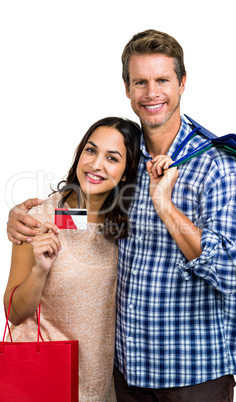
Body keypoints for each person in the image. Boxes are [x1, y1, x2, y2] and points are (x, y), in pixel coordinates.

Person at [6, 30, 236, 401]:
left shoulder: (218, 167)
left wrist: (165, 206)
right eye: (141, 82)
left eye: (162, 80)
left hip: (193, 376)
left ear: (182, 83)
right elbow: (74, 216)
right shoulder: (124, 161)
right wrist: (21, 219)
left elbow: (232, 272)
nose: (152, 92)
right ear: (128, 89)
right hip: (125, 376)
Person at [4, 116, 140, 401]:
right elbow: (14, 314)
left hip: (99, 386)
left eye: (112, 158)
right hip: (44, 383)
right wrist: (40, 270)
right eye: (91, 150)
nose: (95, 164)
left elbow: (88, 224)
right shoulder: (39, 220)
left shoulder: (123, 228)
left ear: (126, 173)